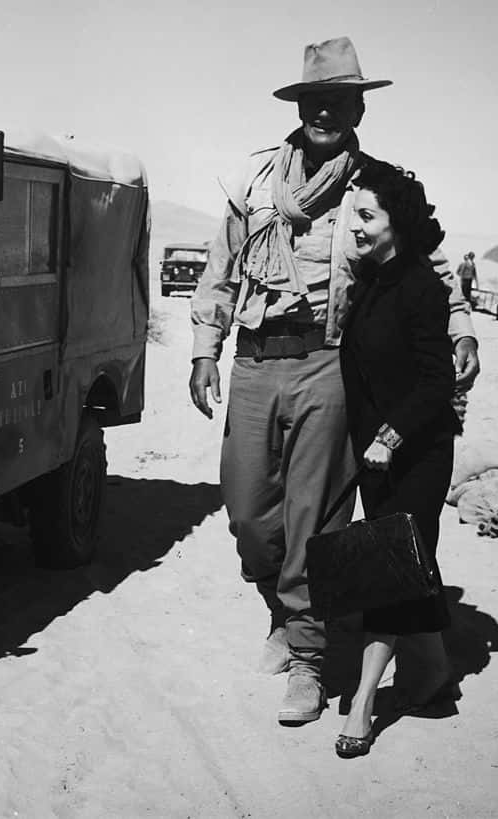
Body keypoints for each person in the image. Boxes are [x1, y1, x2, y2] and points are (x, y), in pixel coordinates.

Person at [188, 36, 480, 726]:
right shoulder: (259, 181)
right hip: (255, 361)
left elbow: (432, 260)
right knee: (249, 518)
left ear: (357, 108)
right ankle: (286, 614)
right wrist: (205, 347)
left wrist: (463, 327)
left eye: (337, 101)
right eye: (313, 100)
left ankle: (311, 664)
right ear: (299, 105)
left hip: (327, 362)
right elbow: (220, 270)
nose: (323, 112)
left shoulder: (377, 187)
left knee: (313, 519)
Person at [335, 158, 463, 758]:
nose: (354, 226)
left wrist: (390, 437)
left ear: (396, 223)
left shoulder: (418, 287)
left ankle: (363, 705)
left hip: (418, 454)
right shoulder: (368, 285)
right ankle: (434, 674)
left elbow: (438, 381)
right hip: (376, 456)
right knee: (410, 564)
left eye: (366, 215)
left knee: (390, 569)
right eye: (351, 215)